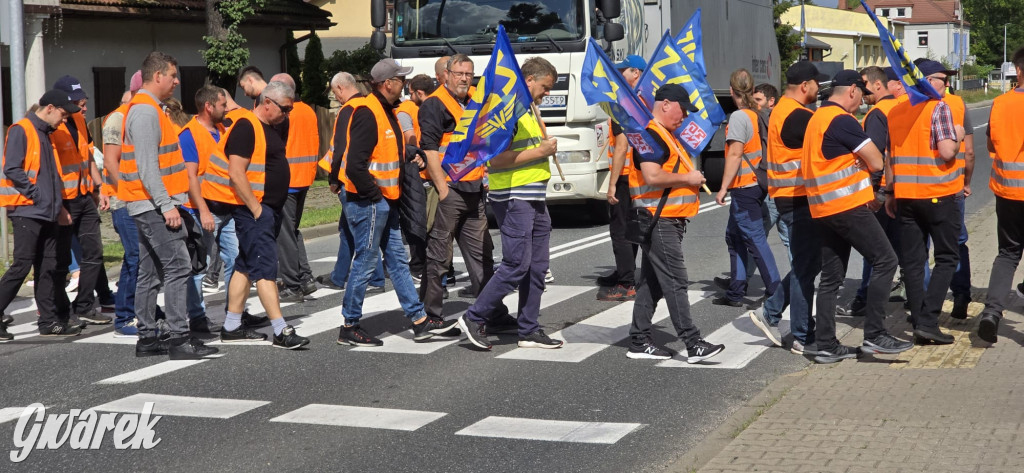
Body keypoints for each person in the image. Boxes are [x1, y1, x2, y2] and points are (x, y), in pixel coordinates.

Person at [335, 59, 456, 346]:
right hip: (369, 202)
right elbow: (355, 165)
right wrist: (376, 198)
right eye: (400, 79)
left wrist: (411, 152)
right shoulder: (368, 112)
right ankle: (349, 325)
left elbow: (385, 152)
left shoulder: (387, 111)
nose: (405, 84)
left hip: (383, 202)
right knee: (365, 262)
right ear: (387, 83)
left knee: (399, 262)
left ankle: (419, 320)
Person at [804, 70, 912, 363]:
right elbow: (876, 159)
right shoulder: (842, 121)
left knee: (831, 277)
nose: (862, 102)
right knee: (886, 260)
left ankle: (826, 344)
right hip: (847, 206)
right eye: (861, 96)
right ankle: (875, 336)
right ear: (851, 91)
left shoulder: (817, 118)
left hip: (823, 207)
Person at [456, 57, 562, 350]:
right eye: (544, 87)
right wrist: (540, 150)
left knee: (538, 267)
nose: (546, 93)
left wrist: (541, 151)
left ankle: (528, 329)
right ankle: (474, 316)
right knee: (517, 264)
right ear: (529, 81)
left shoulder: (528, 108)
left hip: (533, 195)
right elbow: (494, 160)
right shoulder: (507, 110)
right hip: (514, 195)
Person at [614, 84, 723, 362]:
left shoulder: (663, 135)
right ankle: (693, 341)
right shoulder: (651, 136)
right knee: (675, 280)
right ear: (665, 104)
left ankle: (639, 340)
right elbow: (652, 176)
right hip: (658, 220)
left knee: (653, 282)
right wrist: (688, 179)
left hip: (664, 219)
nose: (684, 116)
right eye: (682, 109)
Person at [200, 80, 311, 349]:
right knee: (265, 268)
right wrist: (257, 209)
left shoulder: (271, 126)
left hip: (265, 209)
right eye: (285, 109)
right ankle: (280, 330)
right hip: (254, 210)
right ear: (267, 103)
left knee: (246, 265)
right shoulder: (247, 126)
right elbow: (236, 174)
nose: (287, 114)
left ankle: (231, 326)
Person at [121, 52, 217, 358]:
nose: (177, 81)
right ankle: (178, 337)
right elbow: (148, 167)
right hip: (152, 204)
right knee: (178, 266)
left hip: (147, 202)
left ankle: (148, 338)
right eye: (173, 76)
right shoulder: (147, 112)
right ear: (157, 76)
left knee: (149, 272)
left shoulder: (152, 109)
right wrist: (167, 206)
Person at [747, 61, 827, 356]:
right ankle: (801, 334)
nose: (819, 90)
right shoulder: (799, 116)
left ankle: (771, 311)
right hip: (799, 198)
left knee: (807, 264)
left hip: (789, 196)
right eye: (817, 84)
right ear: (806, 85)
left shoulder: (781, 110)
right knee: (807, 268)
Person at [884, 60, 963, 345]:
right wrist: (958, 135)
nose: (946, 83)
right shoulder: (938, 107)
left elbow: (891, 156)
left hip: (906, 197)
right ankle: (929, 321)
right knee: (946, 257)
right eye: (943, 78)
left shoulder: (897, 110)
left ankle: (918, 321)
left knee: (914, 262)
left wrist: (891, 193)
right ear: (928, 80)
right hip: (938, 194)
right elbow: (946, 151)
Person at [419, 54, 500, 315]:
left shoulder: (474, 102)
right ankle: (430, 315)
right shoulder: (435, 105)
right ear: (446, 75)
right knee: (439, 256)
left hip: (474, 191)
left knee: (483, 255)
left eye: (468, 74)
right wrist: (442, 190)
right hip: (450, 191)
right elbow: (429, 150)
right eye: (459, 73)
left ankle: (492, 312)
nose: (464, 78)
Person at [0, 90, 82, 340]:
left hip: (45, 211)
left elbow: (51, 175)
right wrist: (36, 195)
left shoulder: (47, 133)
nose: (64, 120)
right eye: (63, 114)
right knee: (22, 265)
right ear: (49, 108)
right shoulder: (22, 129)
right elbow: (12, 168)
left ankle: (49, 321)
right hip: (27, 210)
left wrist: (57, 207)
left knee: (47, 266)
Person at [713, 69, 780, 308]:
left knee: (754, 238)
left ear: (732, 91)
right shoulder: (761, 113)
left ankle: (776, 290)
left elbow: (735, 153)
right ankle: (735, 291)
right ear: (752, 90)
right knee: (735, 237)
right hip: (759, 182)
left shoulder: (740, 117)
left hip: (744, 185)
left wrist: (722, 188)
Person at [51, 75, 113, 327]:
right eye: (78, 103)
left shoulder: (78, 121)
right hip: (64, 200)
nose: (83, 108)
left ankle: (85, 305)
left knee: (94, 251)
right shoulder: (52, 126)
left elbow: (87, 156)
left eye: (83, 102)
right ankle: (55, 308)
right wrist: (57, 205)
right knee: (60, 258)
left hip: (85, 195)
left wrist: (100, 187)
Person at [841, 66, 903, 317]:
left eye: (865, 83)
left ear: (879, 85)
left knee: (874, 250)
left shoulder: (877, 113)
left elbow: (876, 156)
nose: (863, 90)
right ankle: (917, 296)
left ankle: (865, 297)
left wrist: (875, 193)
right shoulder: (900, 107)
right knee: (904, 248)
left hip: (881, 190)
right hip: (903, 187)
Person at [320, 71, 387, 293]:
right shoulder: (368, 105)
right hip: (362, 179)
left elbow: (339, 148)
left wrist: (333, 179)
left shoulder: (348, 110)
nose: (336, 97)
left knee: (361, 235)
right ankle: (339, 276)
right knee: (349, 230)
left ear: (340, 88)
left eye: (334, 92)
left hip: (349, 182)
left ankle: (375, 278)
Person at [977, 46, 1024, 344]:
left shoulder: (1000, 103)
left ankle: (992, 312)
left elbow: (992, 146)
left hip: (1008, 191)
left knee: (1007, 254)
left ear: (1018, 70)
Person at [179, 85, 232, 332]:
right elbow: (191, 177)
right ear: (209, 107)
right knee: (200, 265)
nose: (227, 108)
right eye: (223, 104)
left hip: (227, 206)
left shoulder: (223, 129)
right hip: (201, 210)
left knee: (236, 257)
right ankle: (197, 317)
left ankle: (235, 312)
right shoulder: (189, 134)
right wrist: (203, 211)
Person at [101, 71, 147, 336]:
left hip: (141, 199)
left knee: (145, 259)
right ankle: (124, 317)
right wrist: (128, 193)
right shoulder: (118, 118)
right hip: (125, 201)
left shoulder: (140, 115)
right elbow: (110, 162)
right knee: (135, 257)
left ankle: (143, 309)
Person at [598, 54, 646, 302]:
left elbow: (621, 147)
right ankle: (625, 271)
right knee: (632, 228)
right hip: (640, 175)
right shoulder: (643, 101)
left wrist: (612, 184)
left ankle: (626, 282)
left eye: (623, 71)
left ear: (636, 73)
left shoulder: (624, 104)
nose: (618, 75)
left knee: (620, 230)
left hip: (626, 175)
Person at [269, 73, 319, 302]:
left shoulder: (284, 114)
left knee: (285, 233)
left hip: (288, 180)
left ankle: (292, 284)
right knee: (294, 230)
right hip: (305, 178)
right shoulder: (308, 110)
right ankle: (306, 277)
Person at [396, 74, 438, 282]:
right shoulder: (441, 105)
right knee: (436, 225)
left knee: (416, 222)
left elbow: (410, 139)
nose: (409, 96)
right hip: (439, 172)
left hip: (418, 173)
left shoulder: (406, 110)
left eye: (410, 92)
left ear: (417, 92)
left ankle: (418, 267)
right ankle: (441, 271)